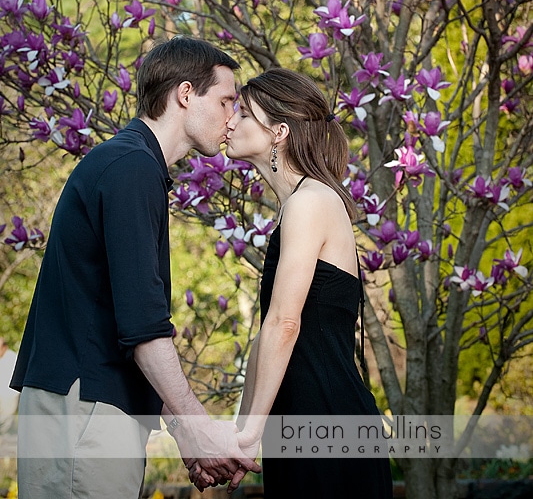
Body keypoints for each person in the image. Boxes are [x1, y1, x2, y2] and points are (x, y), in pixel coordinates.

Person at [10, 36, 260, 499]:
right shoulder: (130, 168)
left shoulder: (131, 164)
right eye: (227, 101)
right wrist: (196, 427)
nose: (234, 118)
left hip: (92, 409)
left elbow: (127, 319)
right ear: (185, 95)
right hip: (84, 408)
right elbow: (144, 327)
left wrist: (187, 436)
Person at [219, 68, 393, 497]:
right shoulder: (298, 205)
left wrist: (249, 433)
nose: (229, 121)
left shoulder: (311, 201)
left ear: (278, 131)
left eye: (242, 114)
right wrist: (242, 434)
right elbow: (266, 336)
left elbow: (285, 324)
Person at [0, 337, 19, 434]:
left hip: (9, 396)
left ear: (4, 347)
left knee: (5, 423)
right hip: (2, 396)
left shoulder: (11, 358)